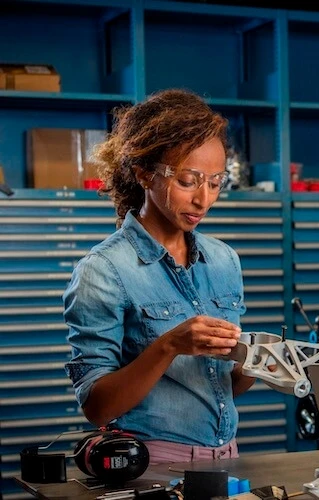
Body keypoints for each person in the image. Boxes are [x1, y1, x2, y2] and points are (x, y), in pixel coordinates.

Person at [64, 89, 255, 464]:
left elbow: (217, 389)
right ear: (144, 174)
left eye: (215, 182)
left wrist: (254, 366)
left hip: (227, 459)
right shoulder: (104, 270)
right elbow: (97, 407)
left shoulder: (223, 260)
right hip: (151, 466)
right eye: (188, 181)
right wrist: (168, 346)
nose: (204, 200)